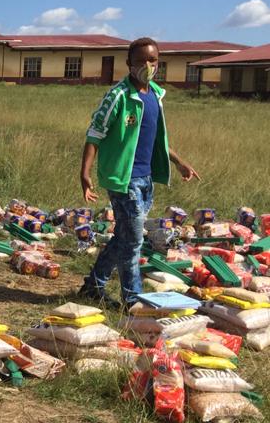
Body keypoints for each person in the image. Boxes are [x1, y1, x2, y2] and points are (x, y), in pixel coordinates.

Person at [79, 37, 200, 309]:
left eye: (152, 60)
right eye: (140, 61)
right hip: (124, 179)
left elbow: (158, 138)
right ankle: (132, 301)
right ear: (129, 64)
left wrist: (180, 162)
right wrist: (84, 173)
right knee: (133, 242)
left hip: (146, 178)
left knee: (124, 236)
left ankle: (93, 286)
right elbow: (94, 134)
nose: (147, 65)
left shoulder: (155, 95)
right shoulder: (118, 96)